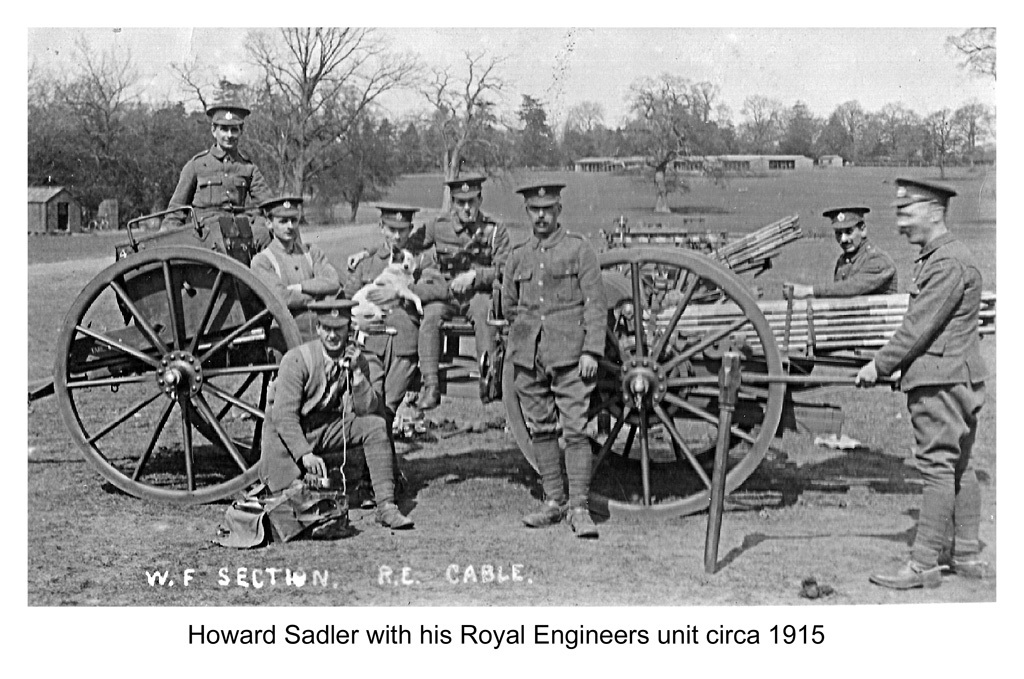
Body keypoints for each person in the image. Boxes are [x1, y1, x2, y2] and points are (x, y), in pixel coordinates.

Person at [855, 179, 988, 589]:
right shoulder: (945, 257)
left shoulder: (947, 262)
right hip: (957, 377)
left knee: (936, 468)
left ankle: (923, 563)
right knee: (958, 466)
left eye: (905, 213)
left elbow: (919, 327)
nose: (899, 225)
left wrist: (878, 365)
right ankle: (965, 552)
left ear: (933, 211)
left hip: (939, 382)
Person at [503, 183, 607, 538]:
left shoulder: (579, 250)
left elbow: (595, 304)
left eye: (548, 209)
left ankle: (579, 506)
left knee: (577, 430)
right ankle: (553, 502)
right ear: (527, 213)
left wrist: (592, 350)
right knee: (541, 429)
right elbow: (511, 307)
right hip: (530, 357)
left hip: (570, 357)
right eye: (535, 210)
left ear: (559, 209)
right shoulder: (517, 257)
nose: (542, 216)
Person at [258, 299, 413, 529]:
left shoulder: (356, 358)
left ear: (348, 328)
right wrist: (305, 454)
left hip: (324, 428)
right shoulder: (297, 360)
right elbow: (283, 416)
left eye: (338, 329)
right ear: (318, 329)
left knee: (376, 425)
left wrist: (358, 376)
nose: (332, 336)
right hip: (286, 437)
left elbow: (367, 409)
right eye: (327, 329)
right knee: (292, 507)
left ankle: (386, 506)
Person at [415, 174, 512, 409]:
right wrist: (368, 254)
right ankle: (431, 385)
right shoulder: (438, 227)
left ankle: (488, 379)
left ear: (480, 200)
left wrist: (476, 277)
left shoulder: (494, 230)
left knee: (484, 314)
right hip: (445, 295)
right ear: (453, 203)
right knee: (430, 317)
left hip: (477, 295)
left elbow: (505, 268)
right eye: (461, 202)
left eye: (471, 201)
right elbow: (405, 246)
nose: (467, 208)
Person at [343, 206, 448, 420]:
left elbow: (438, 289)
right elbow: (347, 301)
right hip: (371, 345)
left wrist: (401, 294)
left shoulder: (420, 261)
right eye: (391, 229)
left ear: (411, 229)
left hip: (404, 346)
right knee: (369, 403)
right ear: (381, 227)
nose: (397, 236)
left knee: (389, 406)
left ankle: (383, 450)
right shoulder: (367, 263)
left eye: (402, 230)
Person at [161, 100, 272, 251]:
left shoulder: (248, 168)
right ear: (214, 130)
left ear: (241, 131)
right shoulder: (196, 165)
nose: (229, 135)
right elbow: (176, 211)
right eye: (224, 129)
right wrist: (164, 241)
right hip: (205, 236)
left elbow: (269, 205)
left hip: (238, 232)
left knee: (266, 234)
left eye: (234, 130)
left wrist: (260, 219)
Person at [250, 196, 341, 341]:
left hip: (319, 335)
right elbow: (282, 298)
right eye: (283, 221)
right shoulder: (262, 261)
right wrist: (318, 297)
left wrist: (300, 287)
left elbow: (332, 282)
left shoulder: (311, 252)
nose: (290, 226)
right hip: (286, 338)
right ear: (269, 223)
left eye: (294, 220)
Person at [787, 207, 897, 298]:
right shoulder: (843, 260)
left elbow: (852, 287)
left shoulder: (877, 259)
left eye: (849, 232)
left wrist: (809, 290)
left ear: (863, 230)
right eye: (838, 233)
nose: (843, 239)